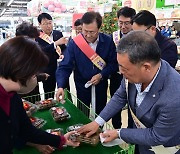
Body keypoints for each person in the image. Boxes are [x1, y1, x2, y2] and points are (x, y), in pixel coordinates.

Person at [78, 31, 180, 154]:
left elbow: (157, 136)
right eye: (119, 66)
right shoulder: (133, 73)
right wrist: (97, 122)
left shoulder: (174, 96)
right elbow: (120, 96)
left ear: (146, 67)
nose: (121, 72)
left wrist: (119, 133)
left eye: (124, 69)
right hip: (140, 144)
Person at [0, 36, 80, 153]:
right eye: (34, 71)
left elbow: (27, 130)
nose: (36, 76)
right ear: (21, 68)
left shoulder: (13, 97)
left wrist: (61, 140)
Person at [56, 11, 117, 116]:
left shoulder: (108, 41)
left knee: (100, 114)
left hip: (101, 86)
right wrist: (60, 86)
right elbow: (65, 66)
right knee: (82, 114)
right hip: (82, 86)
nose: (88, 35)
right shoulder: (75, 43)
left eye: (92, 32)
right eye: (85, 31)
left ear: (99, 28)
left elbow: (114, 64)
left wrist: (101, 75)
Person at [110, 6, 136, 129]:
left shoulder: (138, 37)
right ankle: (116, 130)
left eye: (127, 23)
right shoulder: (113, 37)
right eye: (121, 23)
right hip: (116, 77)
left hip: (134, 79)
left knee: (133, 107)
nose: (123, 26)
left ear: (133, 22)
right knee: (116, 106)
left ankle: (131, 134)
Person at [36, 13, 68, 99]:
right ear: (39, 24)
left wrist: (63, 54)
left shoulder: (58, 34)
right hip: (47, 69)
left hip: (61, 67)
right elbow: (41, 51)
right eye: (45, 24)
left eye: (50, 23)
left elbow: (64, 48)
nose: (48, 26)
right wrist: (56, 43)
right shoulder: (37, 37)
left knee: (65, 90)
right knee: (49, 93)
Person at [15, 21, 49, 103]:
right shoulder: (12, 54)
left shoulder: (31, 51)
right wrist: (40, 77)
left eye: (34, 40)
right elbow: (19, 76)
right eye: (31, 40)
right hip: (19, 93)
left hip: (33, 91)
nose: (34, 43)